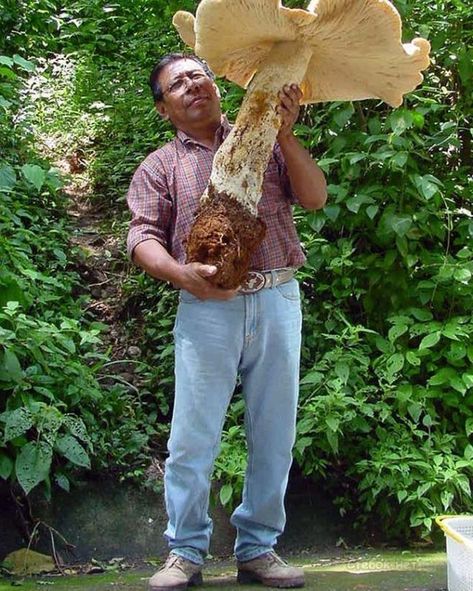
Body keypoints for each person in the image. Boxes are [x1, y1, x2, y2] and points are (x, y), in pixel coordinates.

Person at [126, 53, 327, 591]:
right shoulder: (161, 166)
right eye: (177, 84)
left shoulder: (258, 138)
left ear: (216, 85)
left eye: (199, 75)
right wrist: (180, 275)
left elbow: (314, 196)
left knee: (275, 432)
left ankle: (258, 549)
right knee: (193, 436)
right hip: (206, 308)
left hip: (277, 297)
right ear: (164, 107)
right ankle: (185, 552)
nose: (193, 86)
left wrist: (283, 133)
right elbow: (142, 236)